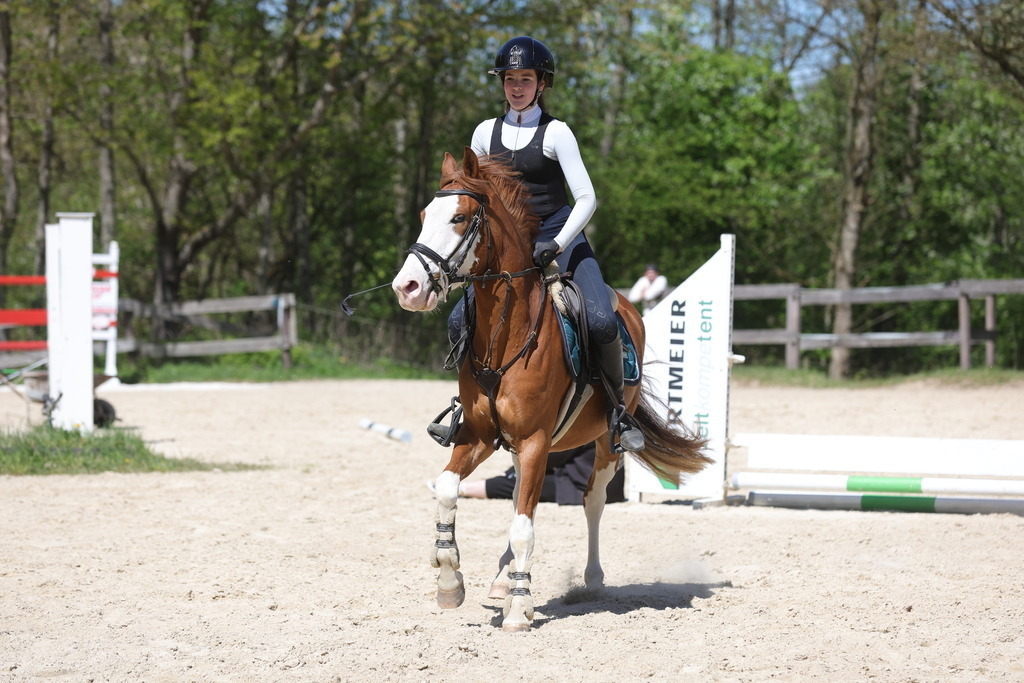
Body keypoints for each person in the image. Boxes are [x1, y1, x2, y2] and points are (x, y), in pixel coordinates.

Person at [431, 35, 644, 453]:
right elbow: (472, 195)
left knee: (600, 318)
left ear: (541, 83)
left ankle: (618, 414)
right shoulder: (483, 132)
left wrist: (558, 241)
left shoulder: (557, 133)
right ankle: (468, 408)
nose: (516, 86)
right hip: (505, 245)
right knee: (458, 320)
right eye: (509, 79)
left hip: (559, 233)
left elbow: (587, 197)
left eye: (524, 78)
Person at [456, 442, 626, 505]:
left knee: (518, 483)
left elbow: (552, 458)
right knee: (517, 480)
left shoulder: (583, 429)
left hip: (578, 487)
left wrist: (510, 471)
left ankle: (462, 489)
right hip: (612, 488)